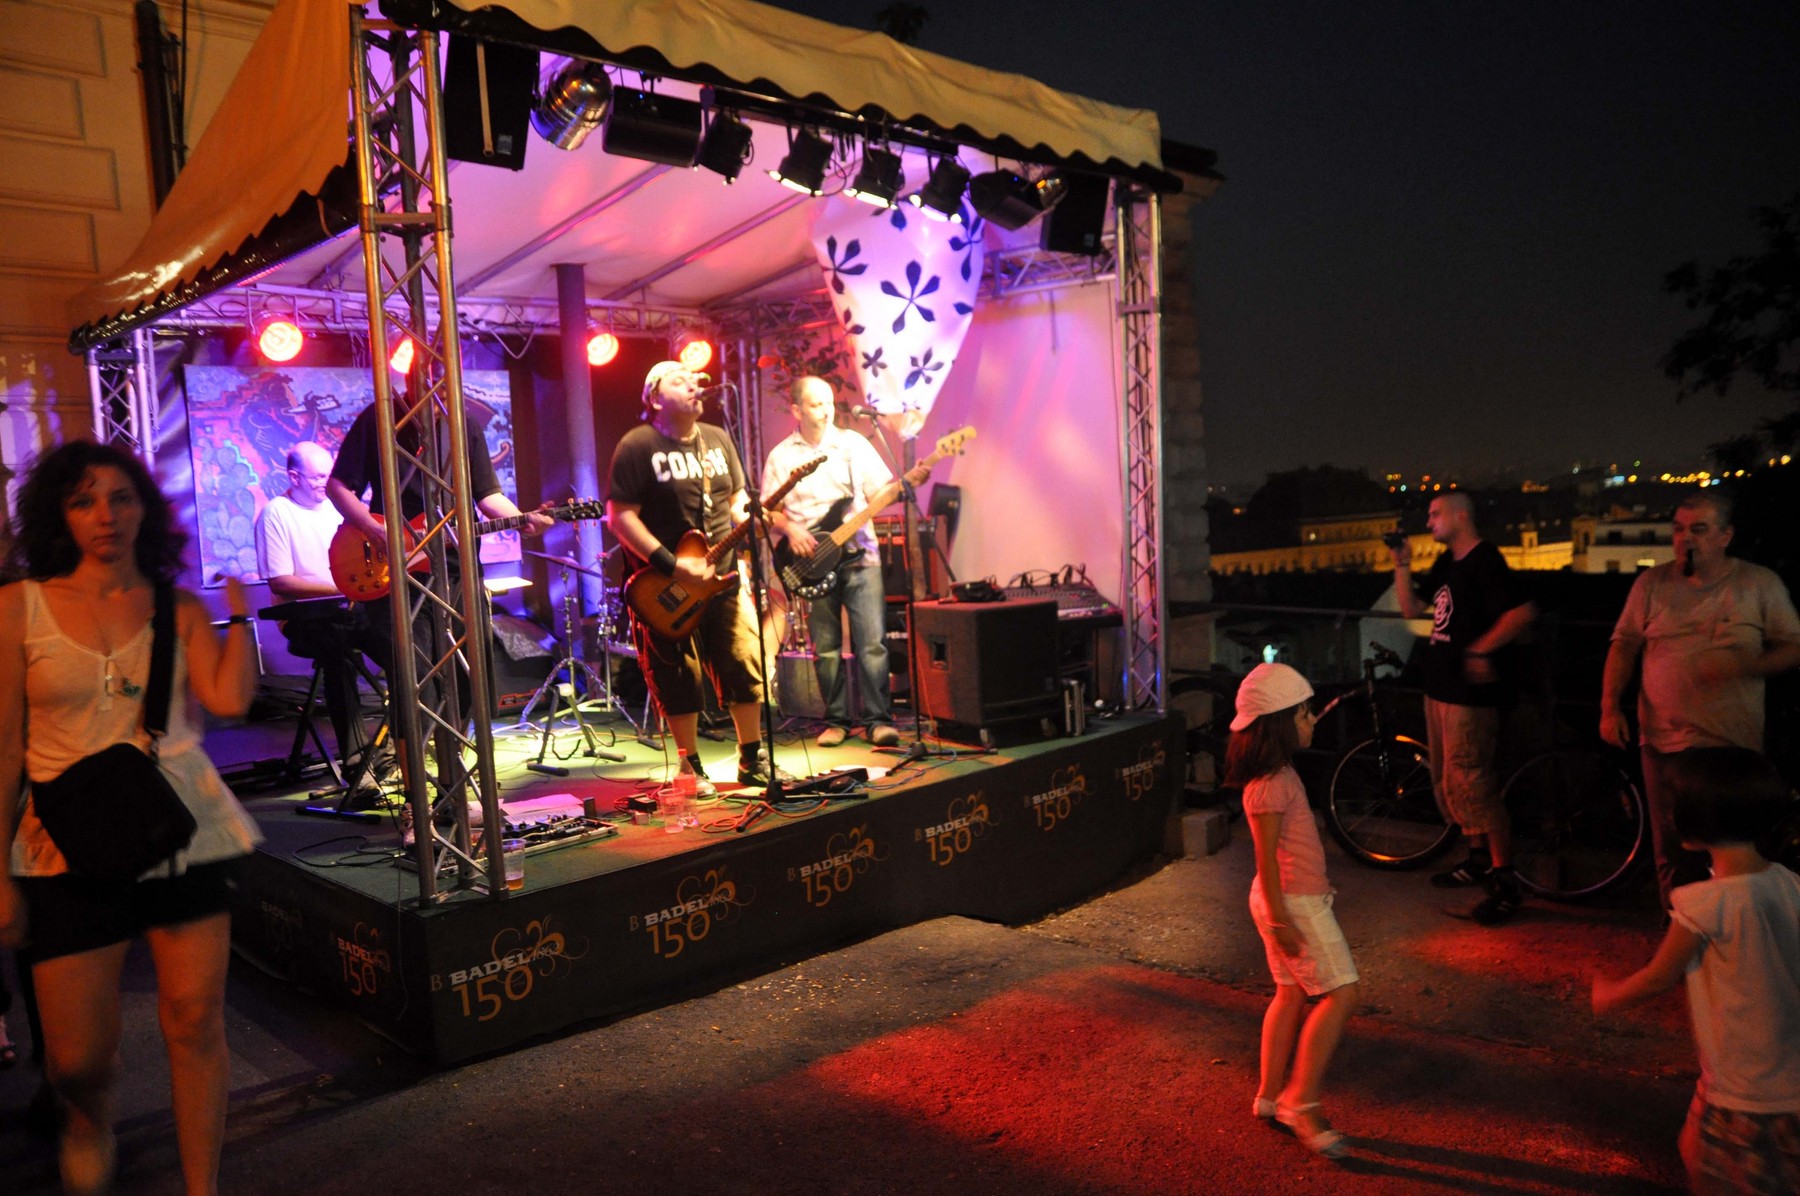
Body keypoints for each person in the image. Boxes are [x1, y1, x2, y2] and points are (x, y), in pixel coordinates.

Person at [0, 440, 262, 1195]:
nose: (105, 515)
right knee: (77, 1060)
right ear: (58, 514)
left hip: (181, 830)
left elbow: (228, 699)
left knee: (194, 1020)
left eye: (121, 498)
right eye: (84, 500)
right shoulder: (19, 608)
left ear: (145, 510)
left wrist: (239, 619)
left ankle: (202, 1186)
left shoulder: (177, 605)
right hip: (63, 844)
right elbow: (3, 747)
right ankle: (87, 1121)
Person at [1592, 747, 1800, 1194]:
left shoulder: (1704, 905)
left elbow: (1659, 976)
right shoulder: (1788, 882)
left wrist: (1608, 995)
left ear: (1693, 823)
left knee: (1708, 1167)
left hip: (1742, 1090)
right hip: (1790, 1076)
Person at [1599, 490, 1800, 909]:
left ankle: (1733, 930)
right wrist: (1609, 707)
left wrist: (1745, 666)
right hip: (1663, 742)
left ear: (1726, 536)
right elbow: (1624, 644)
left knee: (1733, 847)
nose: (1685, 538)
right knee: (1672, 848)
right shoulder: (1651, 584)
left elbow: (1793, 646)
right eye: (1678, 529)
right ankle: (1678, 928)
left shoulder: (1757, 583)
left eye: (1699, 529)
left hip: (1729, 744)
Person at [607, 361, 793, 794]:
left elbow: (735, 500)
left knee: (744, 658)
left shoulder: (717, 438)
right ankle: (689, 766)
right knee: (677, 673)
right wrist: (671, 564)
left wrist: (750, 517)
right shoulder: (638, 445)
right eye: (679, 380)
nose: (693, 385)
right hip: (664, 584)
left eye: (695, 379)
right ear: (655, 398)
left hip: (722, 576)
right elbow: (620, 516)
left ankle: (752, 758)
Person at [327, 395, 552, 739]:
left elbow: (487, 494)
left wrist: (521, 520)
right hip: (398, 571)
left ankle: (455, 763)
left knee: (467, 676)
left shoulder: (462, 422)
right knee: (413, 679)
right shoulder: (379, 417)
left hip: (457, 568)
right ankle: (413, 767)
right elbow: (338, 485)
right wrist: (374, 528)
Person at [1229, 663, 1358, 1161]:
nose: (1313, 720)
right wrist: (1282, 920)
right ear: (1280, 722)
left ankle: (1268, 1095)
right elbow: (1264, 859)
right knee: (1342, 993)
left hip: (1285, 900)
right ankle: (1300, 1101)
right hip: (1294, 904)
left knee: (1290, 993)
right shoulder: (1270, 785)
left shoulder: (1276, 777)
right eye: (1305, 713)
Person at [1392, 491, 1537, 925]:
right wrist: (1402, 565)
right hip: (1440, 688)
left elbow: (1521, 612)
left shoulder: (1486, 560)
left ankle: (1505, 880)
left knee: (1474, 782)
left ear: (1461, 516)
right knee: (1450, 780)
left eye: (1436, 514)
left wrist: (1479, 651)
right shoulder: (1448, 563)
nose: (1429, 521)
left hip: (1470, 697)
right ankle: (1477, 860)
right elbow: (1412, 610)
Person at [762, 377, 901, 749]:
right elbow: (767, 511)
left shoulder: (852, 444)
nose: (825, 411)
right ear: (796, 410)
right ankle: (836, 720)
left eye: (828, 403)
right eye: (815, 404)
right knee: (825, 648)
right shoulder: (781, 456)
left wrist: (897, 488)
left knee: (872, 643)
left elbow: (879, 492)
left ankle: (878, 720)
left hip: (860, 555)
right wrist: (790, 528)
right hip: (813, 563)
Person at [255, 441, 383, 778]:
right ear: (294, 477)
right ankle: (357, 767)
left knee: (404, 653)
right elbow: (281, 582)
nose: (325, 484)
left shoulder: (339, 509)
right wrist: (343, 589)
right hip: (303, 618)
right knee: (338, 657)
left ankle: (391, 749)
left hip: (350, 609)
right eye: (317, 477)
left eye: (329, 476)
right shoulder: (276, 513)